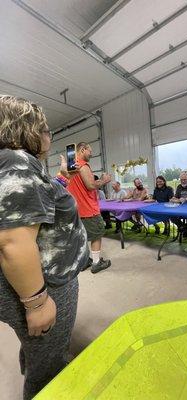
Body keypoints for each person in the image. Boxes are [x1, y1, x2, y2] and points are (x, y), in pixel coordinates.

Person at [0, 95, 89, 400]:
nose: (50, 135)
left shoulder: (11, 165)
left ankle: (37, 361)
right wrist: (36, 303)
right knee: (49, 366)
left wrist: (61, 176)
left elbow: (35, 205)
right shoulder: (18, 162)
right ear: (25, 129)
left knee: (37, 347)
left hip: (37, 280)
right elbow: (13, 241)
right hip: (46, 284)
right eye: (46, 129)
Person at [67, 143, 112, 273]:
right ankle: (96, 263)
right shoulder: (83, 165)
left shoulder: (71, 167)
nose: (91, 154)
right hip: (88, 209)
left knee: (82, 237)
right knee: (97, 235)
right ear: (83, 150)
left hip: (77, 209)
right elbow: (91, 185)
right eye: (90, 151)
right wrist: (104, 180)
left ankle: (85, 261)